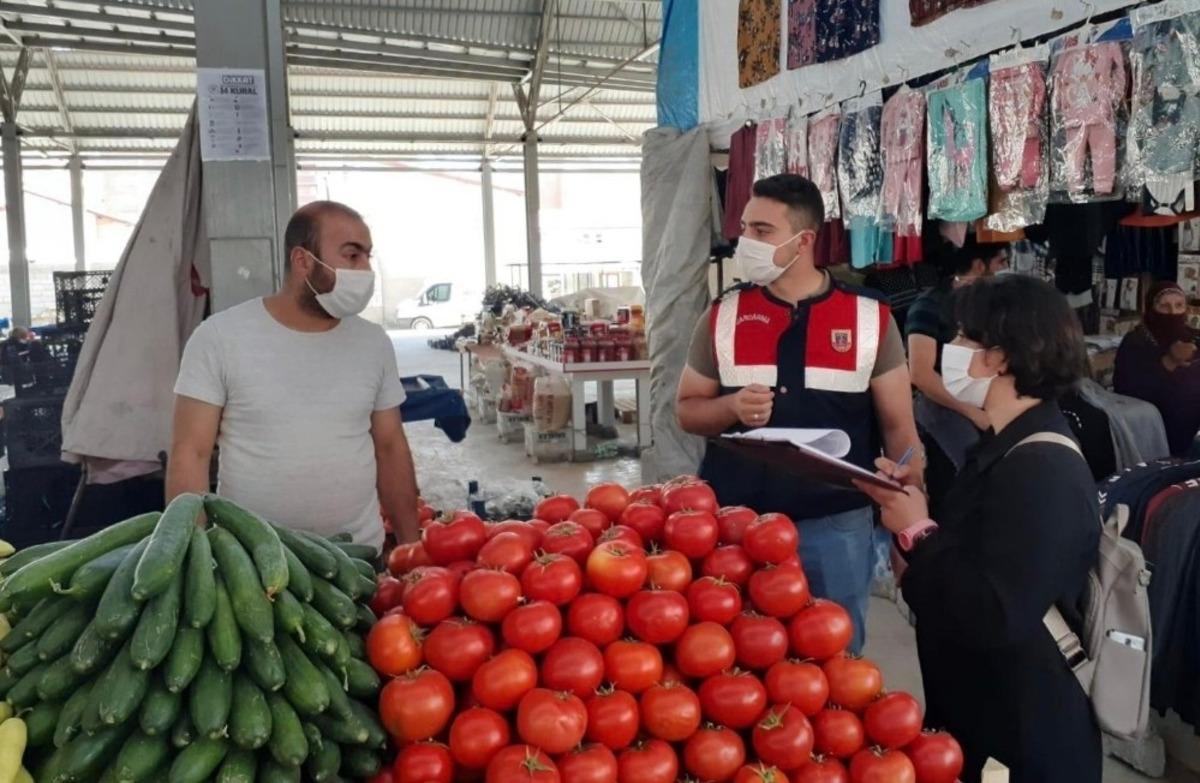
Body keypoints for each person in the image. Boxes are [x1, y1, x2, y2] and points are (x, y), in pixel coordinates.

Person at [856, 275, 1101, 783]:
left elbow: (995, 613)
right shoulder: (1000, 445)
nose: (952, 350)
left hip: (1022, 730)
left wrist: (919, 531)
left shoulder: (1041, 468)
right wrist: (914, 508)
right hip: (980, 708)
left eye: (965, 337)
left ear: (1002, 357)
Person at [676, 173, 922, 652]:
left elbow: (899, 428)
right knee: (733, 655)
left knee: (836, 659)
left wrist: (911, 525)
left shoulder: (870, 317)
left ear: (804, 240)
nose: (745, 241)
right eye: (744, 228)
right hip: (734, 520)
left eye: (762, 231)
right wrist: (729, 407)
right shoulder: (722, 315)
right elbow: (686, 411)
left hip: (835, 522)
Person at [167, 201, 420, 548]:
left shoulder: (373, 343)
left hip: (357, 559)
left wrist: (411, 545)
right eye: (351, 255)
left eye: (367, 256)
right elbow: (190, 453)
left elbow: (390, 447)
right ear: (302, 261)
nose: (364, 270)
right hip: (253, 565)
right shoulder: (220, 338)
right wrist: (194, 556)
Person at [906, 240, 1009, 514]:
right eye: (1001, 262)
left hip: (981, 401)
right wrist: (972, 413)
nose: (1004, 269)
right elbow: (920, 373)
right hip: (942, 405)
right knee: (967, 476)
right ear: (979, 265)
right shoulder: (930, 305)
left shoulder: (991, 303)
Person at [1113, 281, 1200, 457]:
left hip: (1191, 438)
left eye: (1178, 306)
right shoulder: (1136, 342)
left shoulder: (1193, 339)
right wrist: (1169, 362)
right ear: (1151, 309)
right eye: (1165, 306)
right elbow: (1126, 393)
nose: (1173, 313)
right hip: (1147, 440)